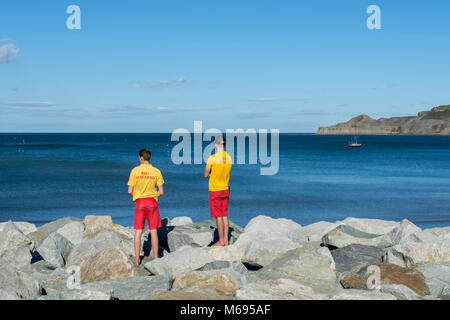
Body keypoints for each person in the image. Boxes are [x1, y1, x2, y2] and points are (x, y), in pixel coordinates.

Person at [128, 149, 164, 266]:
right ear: (149, 158)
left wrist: (138, 196)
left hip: (140, 202)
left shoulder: (135, 171)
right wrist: (153, 195)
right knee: (153, 231)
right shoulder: (156, 171)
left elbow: (129, 191)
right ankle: (156, 258)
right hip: (152, 202)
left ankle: (137, 259)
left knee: (138, 231)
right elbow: (161, 191)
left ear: (141, 158)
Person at [204, 135, 232, 246]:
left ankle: (221, 240)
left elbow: (206, 174)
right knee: (225, 215)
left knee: (218, 216)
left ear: (215, 144)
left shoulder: (212, 158)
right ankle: (226, 240)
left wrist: (212, 173)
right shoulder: (229, 158)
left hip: (215, 189)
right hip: (225, 188)